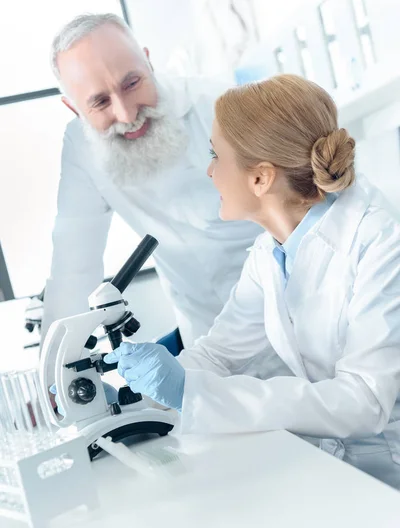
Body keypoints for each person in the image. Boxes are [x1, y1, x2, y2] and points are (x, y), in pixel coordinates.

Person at [104, 74, 400, 489]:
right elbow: (220, 352)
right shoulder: (272, 250)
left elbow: (364, 401)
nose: (209, 171)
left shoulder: (380, 241)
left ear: (261, 178)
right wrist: (138, 400)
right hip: (343, 467)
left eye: (215, 155)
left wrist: (189, 392)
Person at [42, 13, 261, 350]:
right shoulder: (81, 148)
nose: (128, 115)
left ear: (148, 62)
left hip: (293, 315)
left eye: (132, 83)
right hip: (207, 339)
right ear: (74, 109)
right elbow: (73, 266)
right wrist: (57, 367)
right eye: (100, 102)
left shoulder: (221, 106)